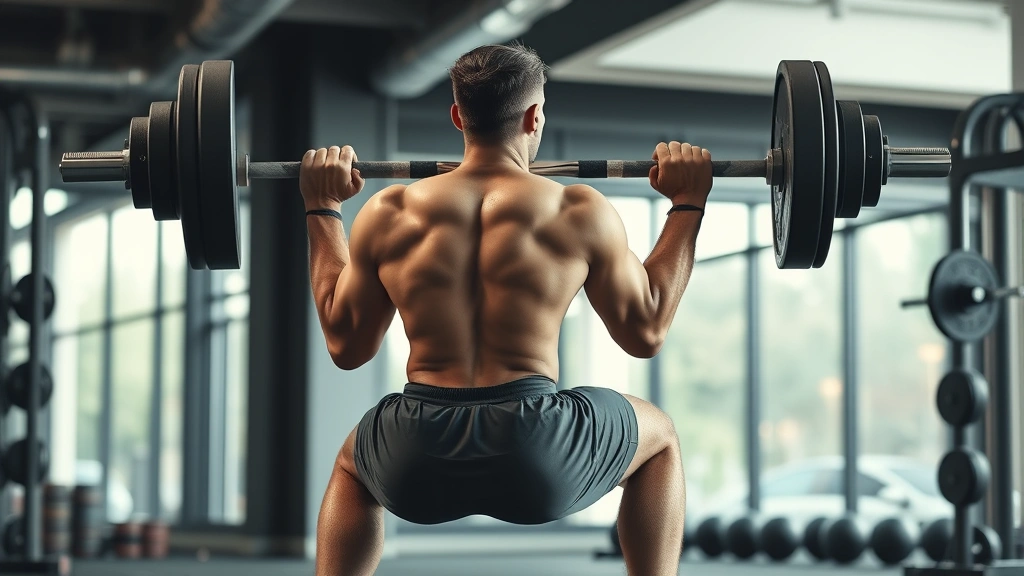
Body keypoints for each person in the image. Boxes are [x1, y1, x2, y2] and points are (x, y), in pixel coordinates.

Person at [299, 42, 712, 576]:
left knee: (353, 466)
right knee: (659, 438)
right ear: (534, 116)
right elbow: (647, 329)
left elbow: (345, 346)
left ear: (457, 116)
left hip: (417, 457)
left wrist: (322, 208)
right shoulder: (576, 209)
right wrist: (687, 204)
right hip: (536, 454)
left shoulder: (390, 211)